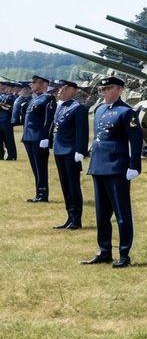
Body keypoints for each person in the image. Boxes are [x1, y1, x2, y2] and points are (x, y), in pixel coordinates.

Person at [81, 76, 143, 268]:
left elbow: (136, 141)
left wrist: (134, 166)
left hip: (117, 167)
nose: (105, 92)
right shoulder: (100, 109)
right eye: (103, 89)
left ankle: (124, 253)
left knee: (121, 213)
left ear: (120, 90)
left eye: (109, 88)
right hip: (99, 165)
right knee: (101, 214)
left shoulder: (126, 112)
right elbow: (98, 136)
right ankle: (104, 251)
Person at [48, 80, 88, 230]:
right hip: (59, 150)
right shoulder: (61, 106)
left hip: (71, 151)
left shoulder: (77, 108)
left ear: (72, 90)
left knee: (73, 185)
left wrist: (80, 150)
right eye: (59, 88)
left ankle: (76, 218)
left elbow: (82, 131)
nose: (59, 91)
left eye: (63, 88)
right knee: (65, 185)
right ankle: (69, 216)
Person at [22, 74, 56, 203]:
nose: (32, 85)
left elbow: (49, 120)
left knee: (41, 167)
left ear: (44, 85)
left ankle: (43, 193)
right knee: (35, 167)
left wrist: (45, 137)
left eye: (35, 82)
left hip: (39, 138)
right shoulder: (34, 99)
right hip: (29, 137)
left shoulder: (48, 99)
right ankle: (38, 193)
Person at [0, 79, 18, 161]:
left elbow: (7, 107)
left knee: (9, 140)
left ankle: (12, 155)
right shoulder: (2, 96)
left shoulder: (13, 97)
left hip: (7, 121)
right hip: (1, 121)